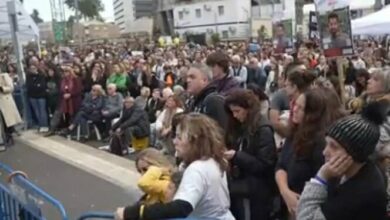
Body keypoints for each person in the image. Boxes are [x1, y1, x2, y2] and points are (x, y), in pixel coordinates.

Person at [115, 113, 235, 220]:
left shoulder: (197, 168)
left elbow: (181, 207)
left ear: (194, 140)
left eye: (179, 137)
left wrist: (133, 213)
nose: (174, 141)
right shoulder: (213, 161)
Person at [297, 102, 388, 220]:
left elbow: (305, 217)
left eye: (334, 146)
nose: (325, 152)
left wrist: (320, 178)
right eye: (327, 144)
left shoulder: (363, 191)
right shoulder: (343, 171)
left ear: (355, 152)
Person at [275, 88, 343, 219]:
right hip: (288, 205)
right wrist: (285, 191)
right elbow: (281, 165)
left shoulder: (321, 145)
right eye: (295, 105)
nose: (294, 109)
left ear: (312, 114)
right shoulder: (295, 132)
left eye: (301, 108)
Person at [225, 89, 277, 220]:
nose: (235, 115)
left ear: (248, 109)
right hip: (244, 185)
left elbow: (266, 164)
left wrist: (237, 156)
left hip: (256, 191)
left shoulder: (263, 129)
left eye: (237, 111)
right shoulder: (241, 127)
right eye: (232, 112)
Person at [186, 63, 228, 128]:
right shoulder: (193, 101)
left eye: (192, 77)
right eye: (187, 77)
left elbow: (221, 131)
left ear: (204, 80)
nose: (188, 80)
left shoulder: (213, 101)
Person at [0, 72, 22, 151]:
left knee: (7, 121)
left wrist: (2, 88)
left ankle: (10, 137)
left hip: (5, 101)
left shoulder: (4, 76)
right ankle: (3, 139)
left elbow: (11, 87)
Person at [26, 64, 49, 132]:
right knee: (36, 111)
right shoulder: (28, 77)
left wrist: (35, 86)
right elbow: (29, 86)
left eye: (34, 68)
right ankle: (40, 125)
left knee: (42, 111)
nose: (33, 70)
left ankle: (45, 125)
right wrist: (36, 86)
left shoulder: (41, 76)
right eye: (31, 68)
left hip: (41, 96)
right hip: (32, 96)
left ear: (36, 68)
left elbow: (42, 86)